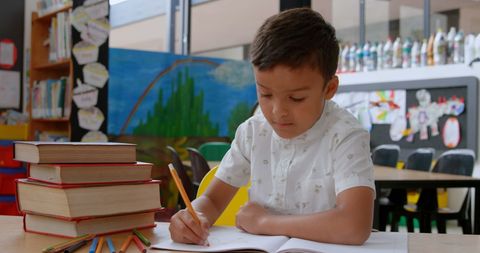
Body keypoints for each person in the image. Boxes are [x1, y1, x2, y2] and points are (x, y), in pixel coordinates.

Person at [169, 7, 375, 246]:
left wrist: (265, 222)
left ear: (329, 89)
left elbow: (354, 226)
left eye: (296, 98)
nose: (278, 112)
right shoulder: (253, 132)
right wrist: (190, 218)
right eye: (265, 94)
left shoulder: (345, 135)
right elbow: (213, 201)